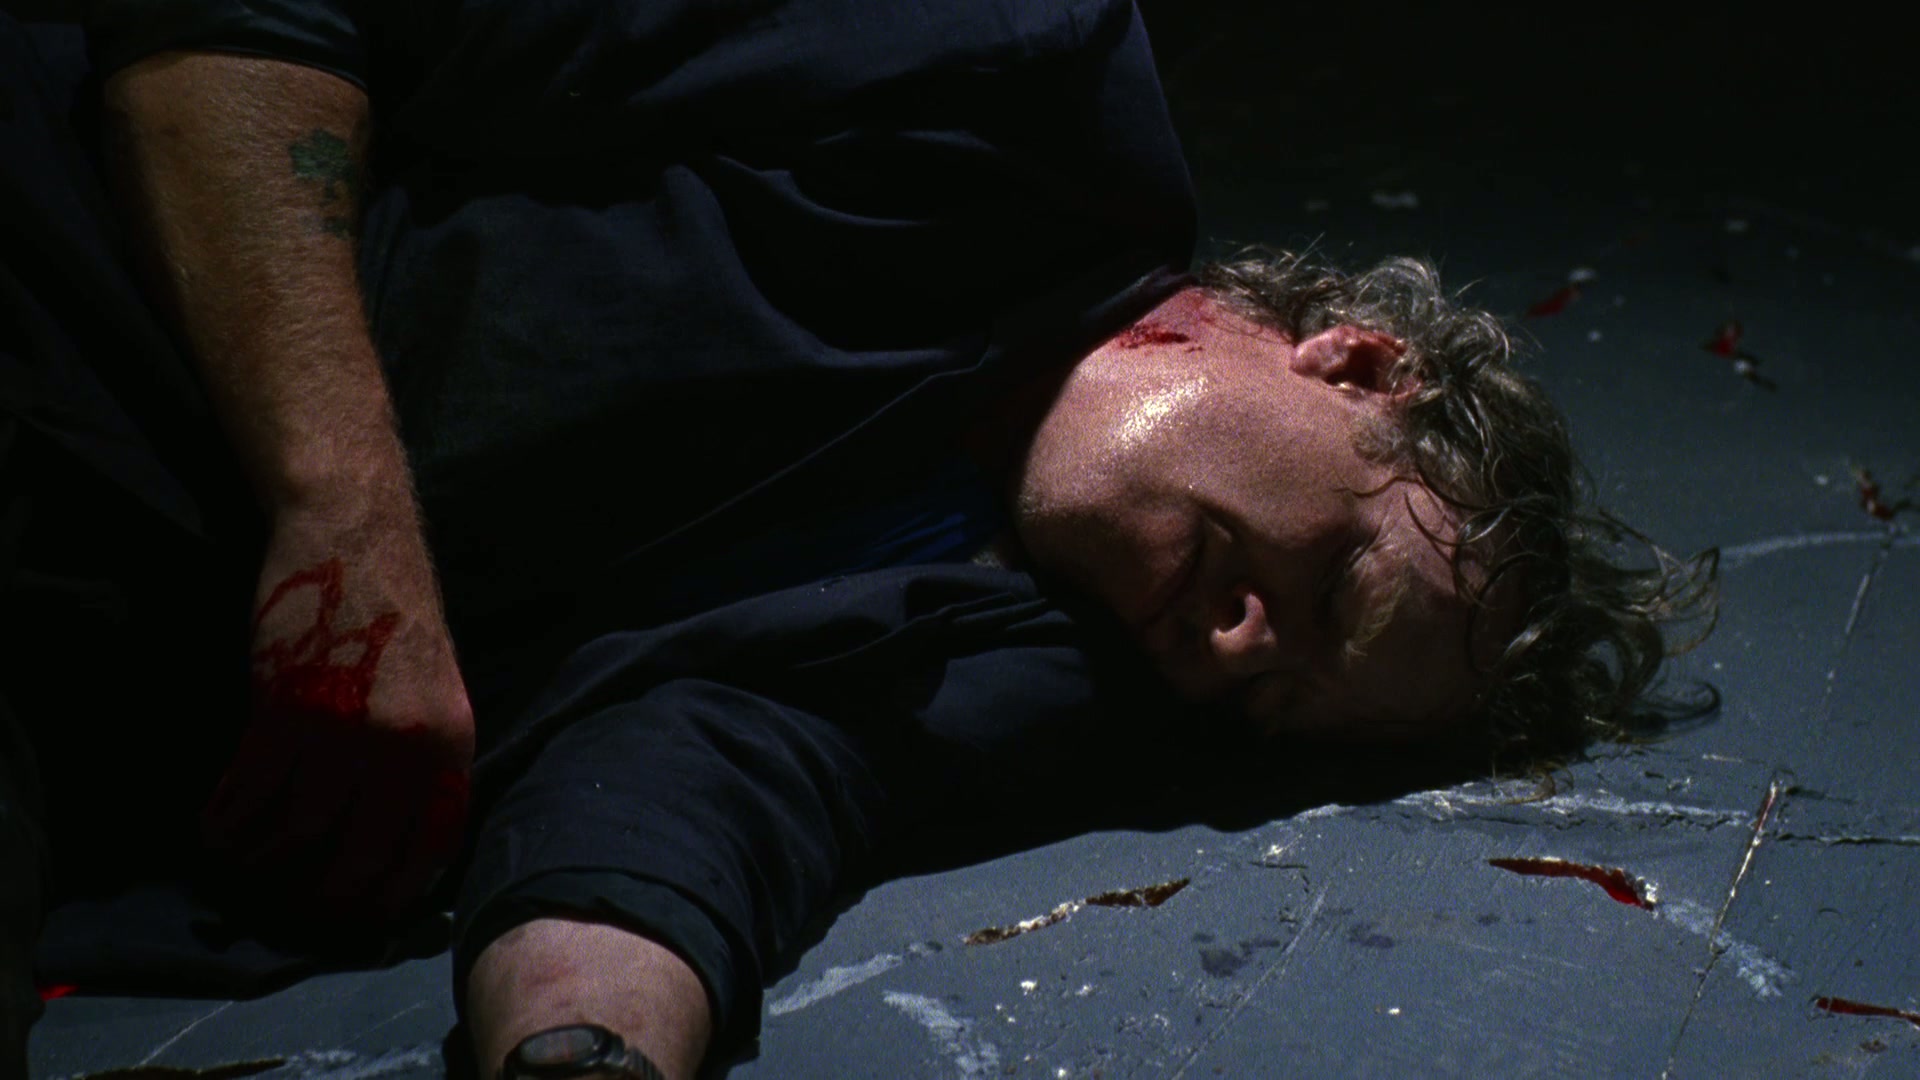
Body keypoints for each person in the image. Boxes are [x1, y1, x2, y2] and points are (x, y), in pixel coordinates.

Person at [0, 3, 1713, 1078]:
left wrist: (591, 1046)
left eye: (1277, 696)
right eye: (1332, 580)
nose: (1235, 647)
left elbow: (694, 804)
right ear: (1353, 364)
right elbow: (245, 24)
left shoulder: (1046, 657)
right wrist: (343, 516)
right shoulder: (1000, 74)